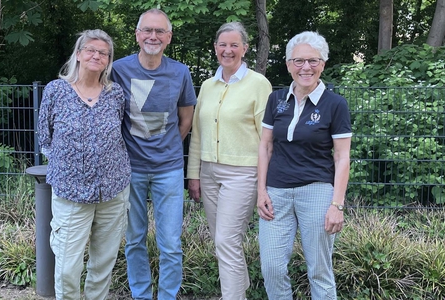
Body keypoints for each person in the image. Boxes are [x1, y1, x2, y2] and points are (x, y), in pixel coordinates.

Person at [257, 31, 352, 299]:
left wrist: (337, 204)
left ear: (322, 64)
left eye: (313, 61)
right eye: (298, 61)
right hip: (276, 193)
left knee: (319, 270)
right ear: (288, 64)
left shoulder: (335, 104)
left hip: (318, 191)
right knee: (272, 267)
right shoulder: (276, 100)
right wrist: (261, 190)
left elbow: (342, 157)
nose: (305, 67)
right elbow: (265, 146)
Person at [109, 9, 197, 300]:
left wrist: (167, 146)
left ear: (169, 38)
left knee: (170, 243)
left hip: (169, 169)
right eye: (147, 30)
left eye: (160, 31)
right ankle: (141, 295)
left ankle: (168, 296)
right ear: (137, 35)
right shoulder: (118, 69)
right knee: (134, 240)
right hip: (130, 169)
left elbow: (186, 119)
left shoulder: (180, 72)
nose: (153, 36)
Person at [38, 29, 131, 300]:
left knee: (103, 264)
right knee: (67, 265)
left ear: (108, 60)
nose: (96, 55)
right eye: (90, 50)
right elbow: (45, 139)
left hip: (113, 191)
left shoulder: (116, 95)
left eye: (103, 52)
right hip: (70, 194)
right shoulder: (56, 91)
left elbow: (121, 135)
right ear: (78, 54)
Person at [186, 22, 272, 300]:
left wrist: (264, 183)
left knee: (226, 240)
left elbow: (267, 139)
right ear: (215, 48)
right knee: (221, 241)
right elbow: (198, 132)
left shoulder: (259, 84)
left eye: (235, 45)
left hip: (243, 174)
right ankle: (239, 290)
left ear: (245, 48)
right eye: (223, 44)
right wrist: (194, 174)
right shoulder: (208, 86)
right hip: (208, 172)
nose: (228, 50)